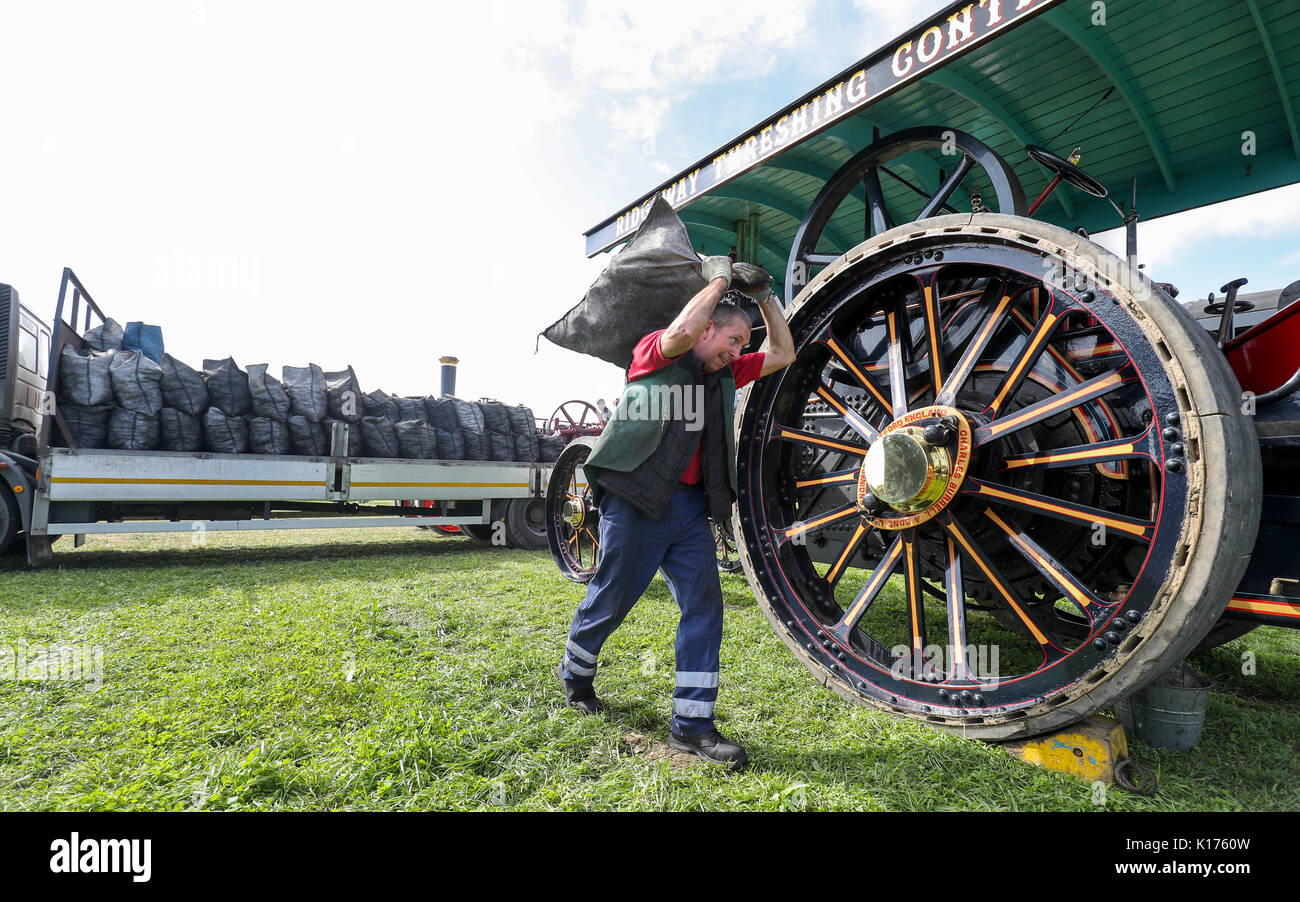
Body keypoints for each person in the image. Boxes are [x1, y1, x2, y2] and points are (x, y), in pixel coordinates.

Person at [558, 256, 796, 770]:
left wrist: (763, 299)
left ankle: (692, 727)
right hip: (638, 498)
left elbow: (783, 351)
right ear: (709, 329)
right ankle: (576, 673)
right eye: (733, 341)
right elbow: (685, 328)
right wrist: (719, 277)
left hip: (689, 508)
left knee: (704, 605)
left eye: (741, 347)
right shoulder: (656, 353)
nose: (738, 352)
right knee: (614, 597)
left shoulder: (726, 374)